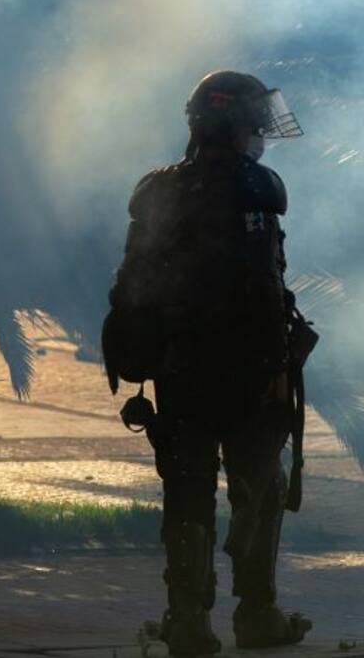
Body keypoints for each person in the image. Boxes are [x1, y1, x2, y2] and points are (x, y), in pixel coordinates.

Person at [104, 71, 313, 656]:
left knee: (188, 494)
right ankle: (257, 615)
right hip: (248, 372)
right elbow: (264, 290)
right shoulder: (257, 188)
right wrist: (276, 365)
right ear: (239, 125)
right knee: (258, 491)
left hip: (180, 371)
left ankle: (189, 622)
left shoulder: (157, 190)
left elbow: (131, 288)